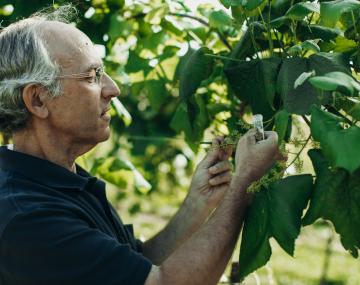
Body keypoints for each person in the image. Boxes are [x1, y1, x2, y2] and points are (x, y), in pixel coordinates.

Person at [0, 5, 280, 285]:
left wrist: (198, 203)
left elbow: (135, 266)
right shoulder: (27, 217)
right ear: (38, 99)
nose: (113, 89)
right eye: (92, 76)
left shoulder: (59, 180)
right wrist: (244, 182)